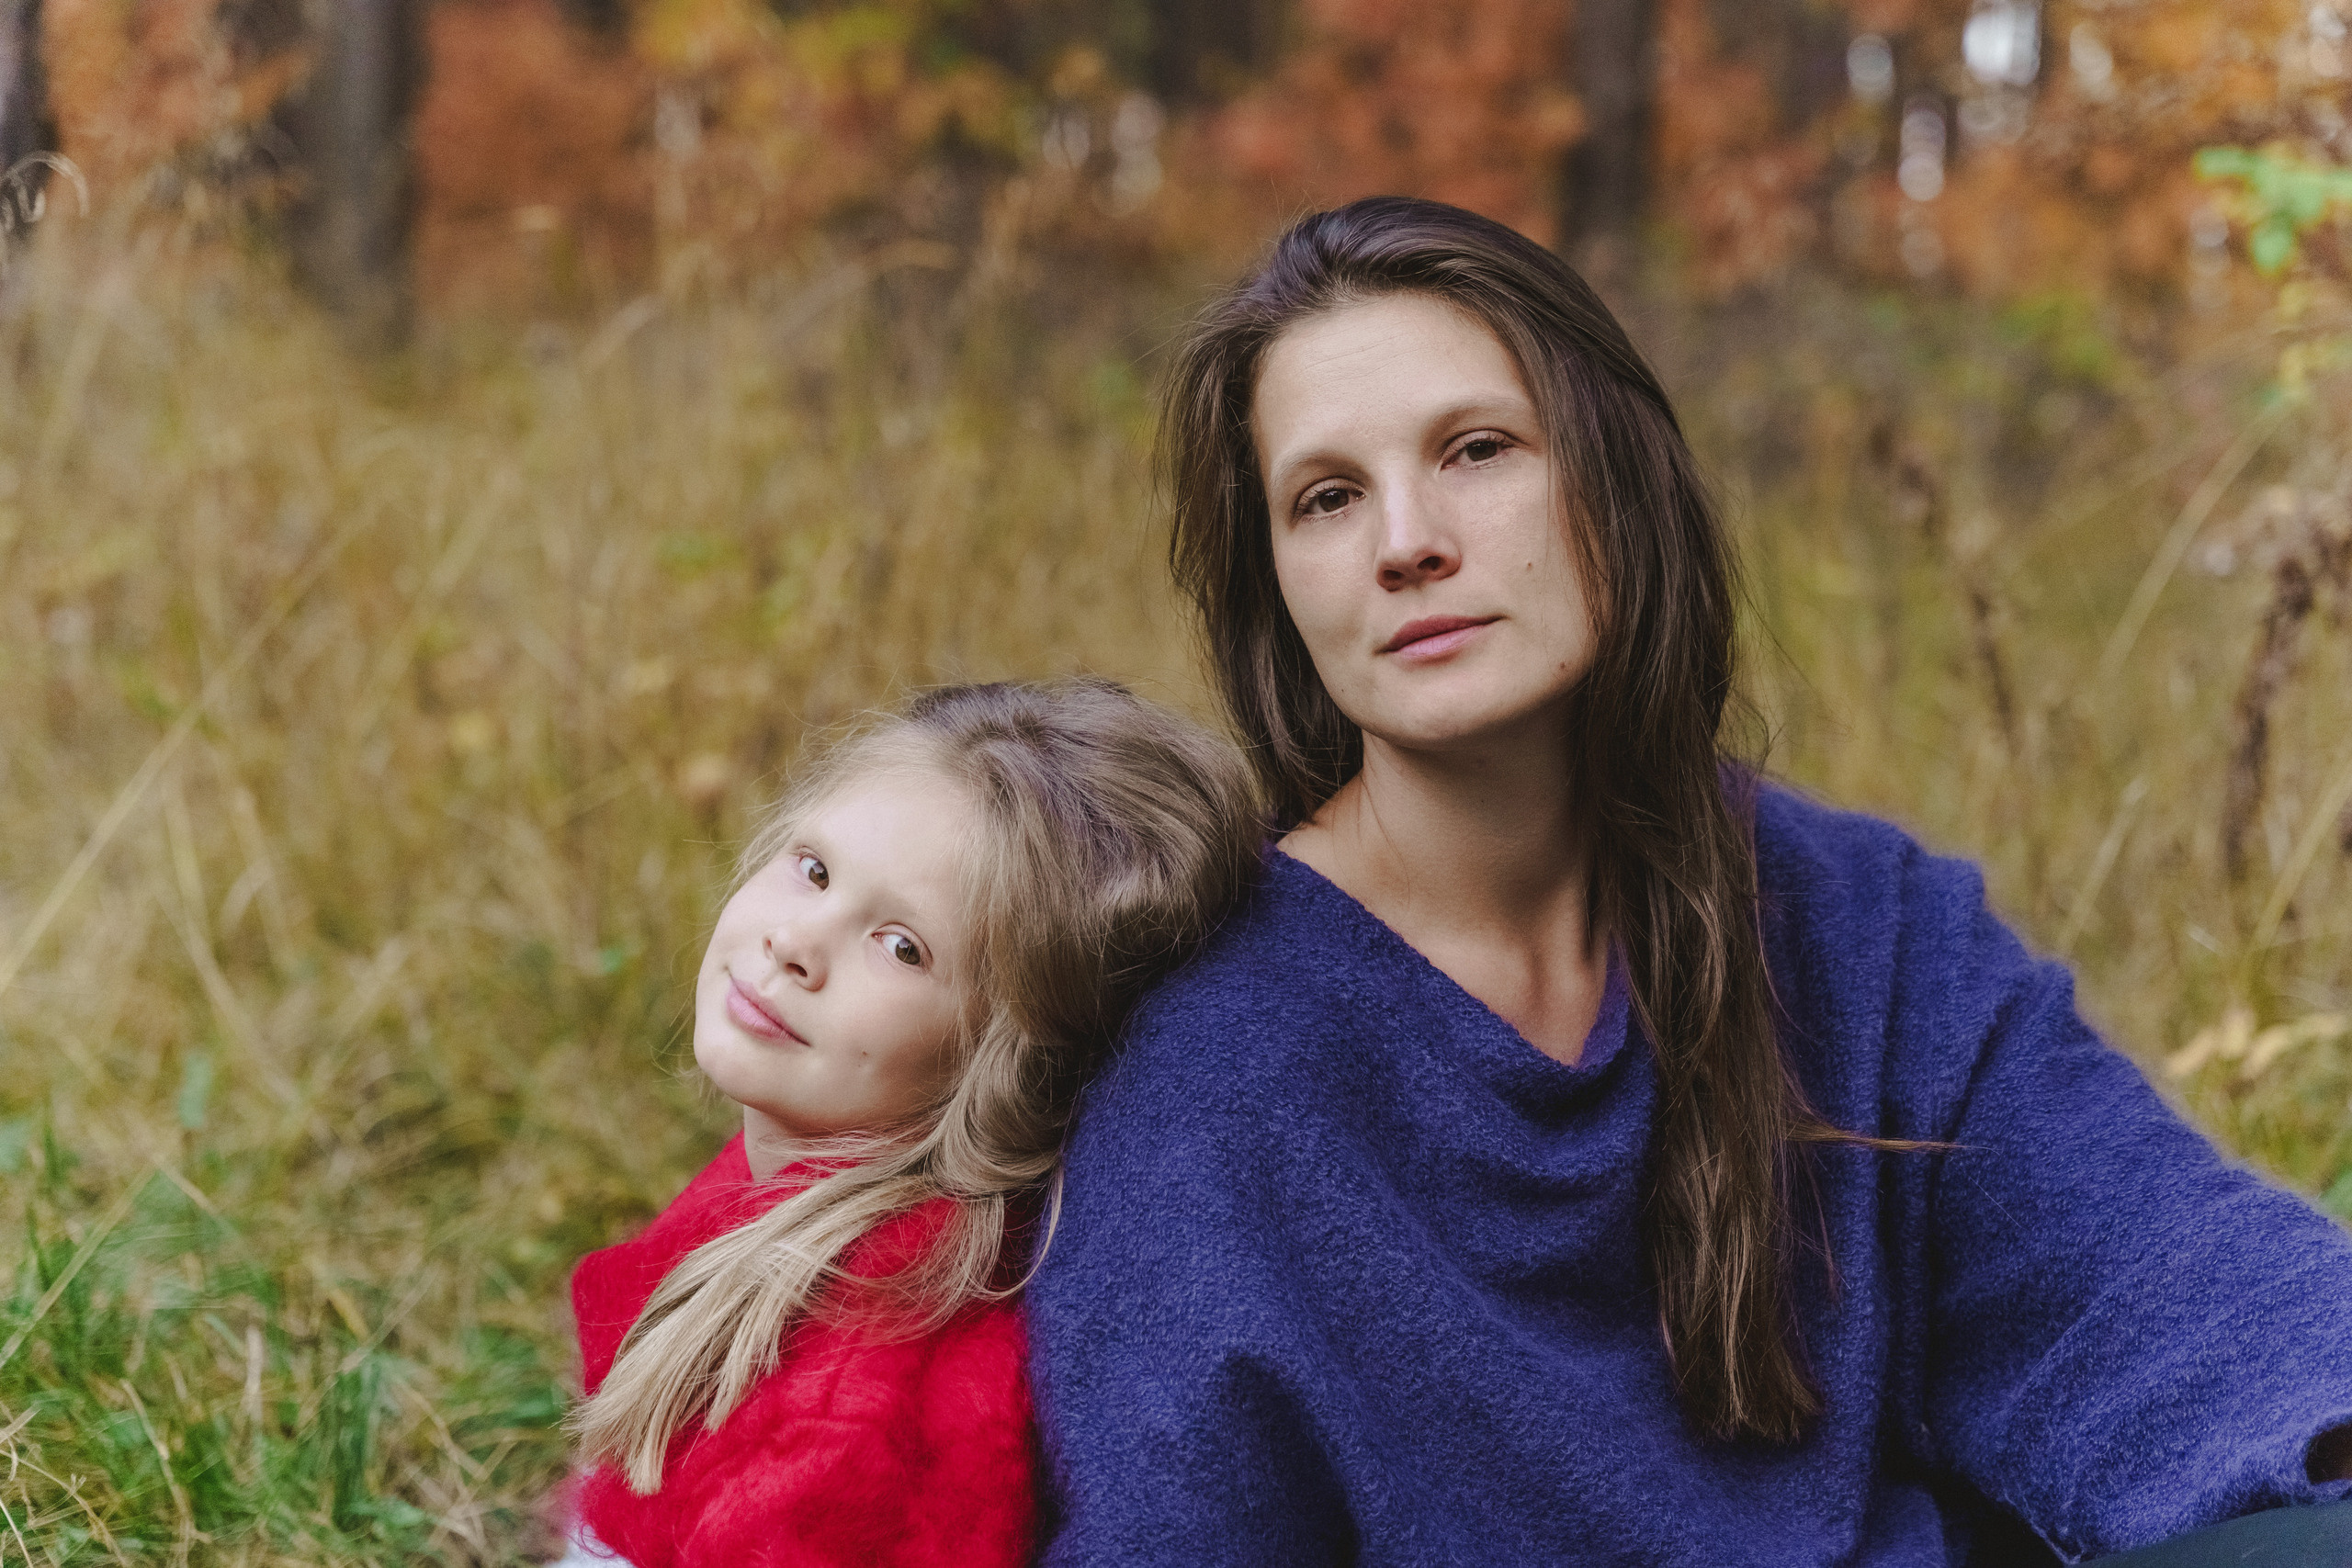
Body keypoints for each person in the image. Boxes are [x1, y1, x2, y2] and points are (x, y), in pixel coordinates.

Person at [1024, 197, 2352, 1565]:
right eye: (1327, 497)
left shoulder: (1851, 915)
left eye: (1477, 449)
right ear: (1279, 588)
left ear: (1611, 474)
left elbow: (2159, 1279)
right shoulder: (1214, 1059)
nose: (1405, 540)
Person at [555, 680, 1259, 1567]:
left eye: (902, 946)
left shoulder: (870, 1384)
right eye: (813, 870)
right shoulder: (790, 1186)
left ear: (1001, 1063)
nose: (796, 944)